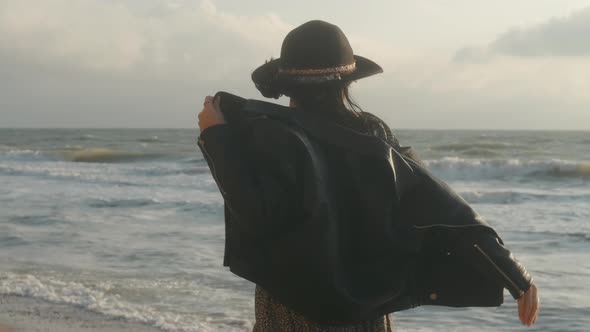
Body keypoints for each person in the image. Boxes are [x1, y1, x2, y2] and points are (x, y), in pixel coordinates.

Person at [197, 20, 539, 331]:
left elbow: (258, 212)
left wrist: (217, 139)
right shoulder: (374, 138)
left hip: (291, 304)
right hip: (362, 308)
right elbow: (440, 208)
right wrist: (515, 276)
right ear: (348, 81)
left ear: (285, 86)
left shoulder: (274, 136)